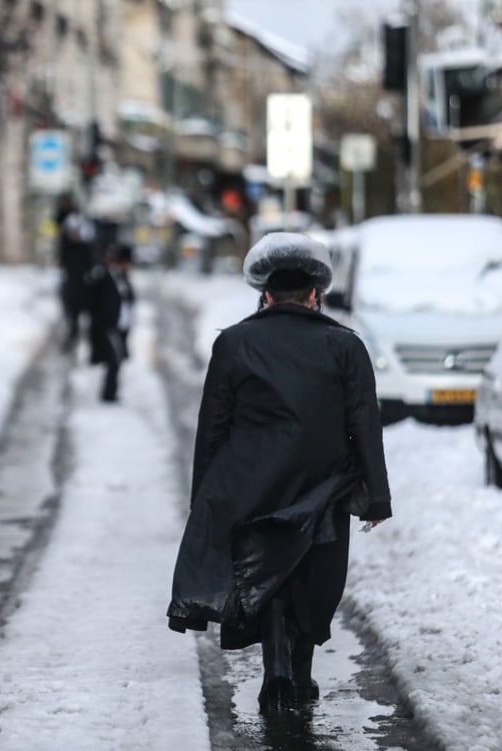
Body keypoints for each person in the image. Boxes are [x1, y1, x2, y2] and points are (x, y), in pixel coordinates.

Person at [166, 232, 391, 714]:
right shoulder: (346, 346)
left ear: (265, 294)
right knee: (312, 577)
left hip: (251, 486)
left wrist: (206, 496)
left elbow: (213, 428)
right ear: (314, 295)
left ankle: (276, 673)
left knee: (266, 577)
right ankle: (301, 672)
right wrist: (375, 497)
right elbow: (364, 426)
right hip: (324, 488)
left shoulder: (233, 343)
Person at [88, 244, 135, 403]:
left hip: (119, 327)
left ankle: (110, 392)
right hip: (109, 327)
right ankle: (109, 394)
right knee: (114, 360)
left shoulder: (122, 279)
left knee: (116, 360)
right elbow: (95, 303)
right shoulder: (106, 277)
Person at [56, 196, 95, 351]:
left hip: (83, 281)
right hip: (72, 280)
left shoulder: (85, 250)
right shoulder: (68, 245)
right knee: (70, 308)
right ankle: (74, 331)